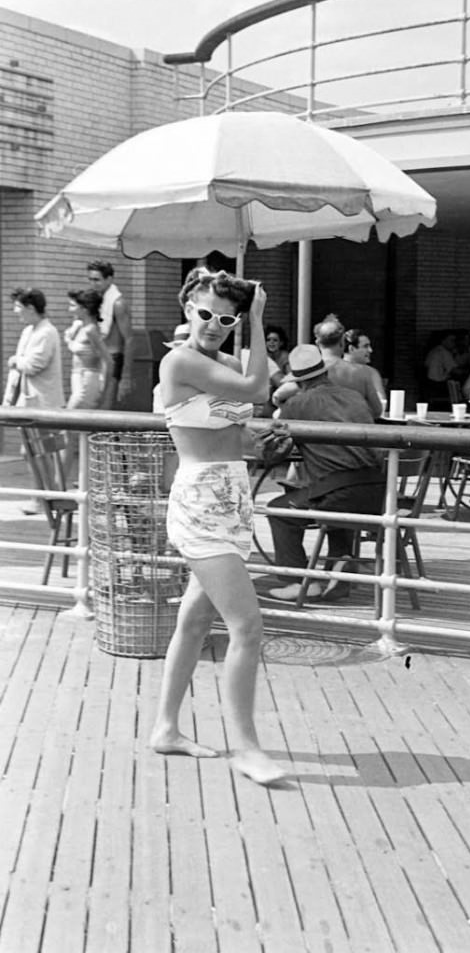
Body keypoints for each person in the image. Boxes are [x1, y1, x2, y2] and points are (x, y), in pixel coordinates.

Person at [150, 267, 286, 786]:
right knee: (247, 627)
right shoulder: (180, 358)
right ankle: (247, 748)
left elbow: (259, 384)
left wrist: (255, 443)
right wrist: (256, 315)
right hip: (202, 503)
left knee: (194, 621)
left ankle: (165, 728)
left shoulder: (215, 360)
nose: (214, 324)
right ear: (188, 310)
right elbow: (255, 385)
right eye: (205, 314)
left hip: (232, 497)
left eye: (225, 318)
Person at [266, 344, 386, 602]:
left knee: (279, 511)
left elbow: (272, 454)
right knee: (330, 494)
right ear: (325, 372)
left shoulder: (297, 405)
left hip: (339, 493)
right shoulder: (354, 396)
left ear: (297, 380)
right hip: (379, 491)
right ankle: (339, 564)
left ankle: (297, 581)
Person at [3, 288, 65, 514]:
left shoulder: (46, 332)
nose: (15, 312)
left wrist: (14, 360)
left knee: (40, 451)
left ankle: (47, 497)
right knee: (32, 451)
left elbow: (33, 365)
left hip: (42, 403)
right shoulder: (30, 330)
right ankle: (47, 494)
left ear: (30, 308)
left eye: (18, 307)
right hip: (30, 401)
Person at [272, 314, 383, 418]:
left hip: (316, 432)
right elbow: (377, 411)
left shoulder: (309, 373)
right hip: (352, 432)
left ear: (317, 343)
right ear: (342, 343)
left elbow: (277, 397)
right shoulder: (362, 373)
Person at [62, 288, 113, 481]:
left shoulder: (91, 330)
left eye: (73, 305)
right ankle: (83, 482)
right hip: (78, 379)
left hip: (87, 381)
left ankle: (60, 486)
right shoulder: (80, 326)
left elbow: (108, 360)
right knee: (79, 434)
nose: (70, 309)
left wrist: (106, 391)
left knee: (68, 430)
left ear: (84, 308)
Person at [86, 260, 134, 409]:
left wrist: (126, 376)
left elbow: (129, 339)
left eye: (97, 280)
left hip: (112, 359)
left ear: (109, 279)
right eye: (91, 279)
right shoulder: (96, 301)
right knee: (91, 405)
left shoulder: (118, 303)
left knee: (105, 409)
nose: (93, 284)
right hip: (97, 358)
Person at [343, 327, 387, 407]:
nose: (370, 350)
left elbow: (381, 403)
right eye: (365, 346)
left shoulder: (371, 373)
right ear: (352, 349)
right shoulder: (333, 370)